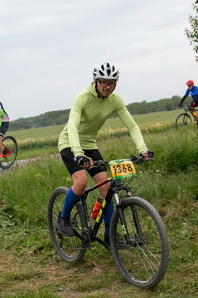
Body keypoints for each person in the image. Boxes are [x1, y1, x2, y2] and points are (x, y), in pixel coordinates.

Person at [57, 63, 150, 246]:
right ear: (95, 81)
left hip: (90, 145)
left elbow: (132, 126)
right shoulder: (82, 97)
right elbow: (73, 126)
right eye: (104, 82)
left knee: (106, 187)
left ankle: (110, 236)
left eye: (112, 83)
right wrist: (78, 153)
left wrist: (143, 150)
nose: (108, 87)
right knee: (81, 182)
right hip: (69, 143)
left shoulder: (115, 100)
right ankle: (63, 218)